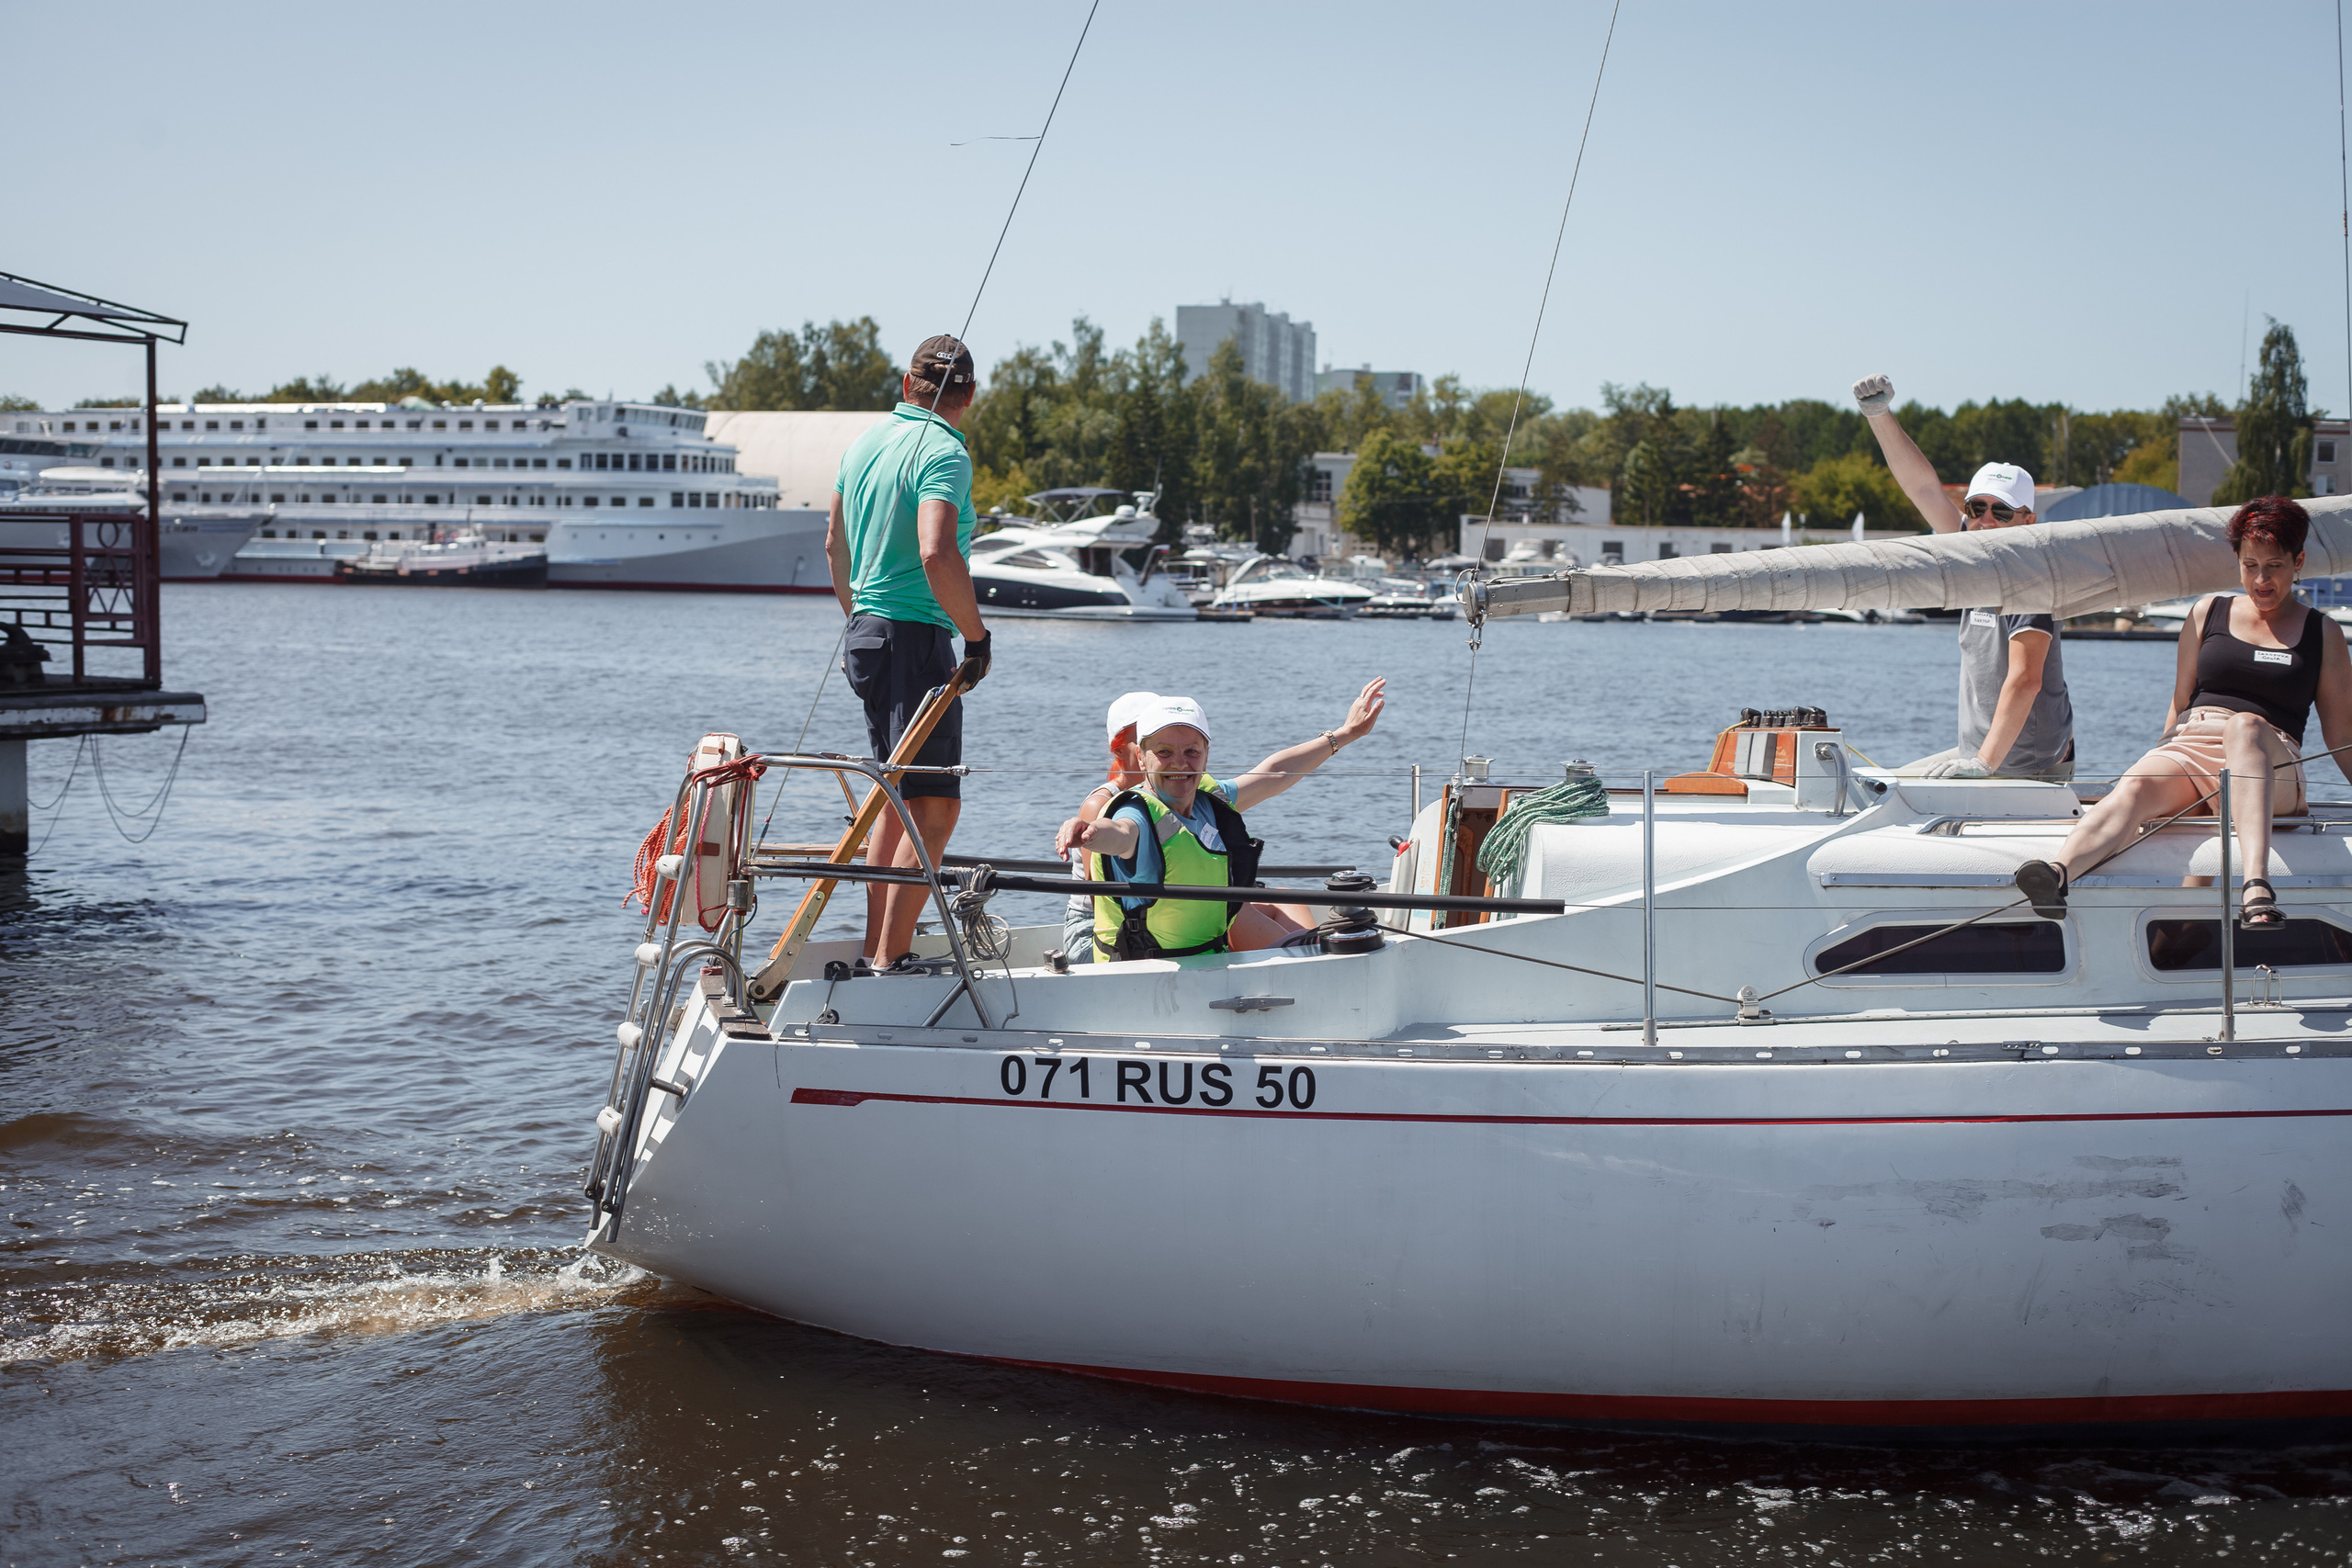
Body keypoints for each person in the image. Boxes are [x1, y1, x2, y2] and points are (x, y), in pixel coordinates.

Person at [2013, 497, 2352, 928]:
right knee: (2135, 789)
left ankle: (2256, 887)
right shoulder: (2207, 612)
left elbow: (2342, 734)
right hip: (2193, 744)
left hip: (2270, 760)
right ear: (2237, 561)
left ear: (2298, 561)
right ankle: (2057, 873)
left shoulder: (2322, 633)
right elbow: (2180, 703)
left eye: (2275, 566)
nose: (2261, 579)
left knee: (2246, 727)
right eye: (2250, 566)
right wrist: (2157, 763)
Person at [825, 334, 992, 970]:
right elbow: (936, 551)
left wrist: (857, 618)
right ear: (968, 395)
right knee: (935, 807)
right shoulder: (945, 452)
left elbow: (834, 544)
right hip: (914, 637)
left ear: (906, 385)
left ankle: (878, 949)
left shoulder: (864, 443)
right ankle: (888, 961)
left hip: (869, 633)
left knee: (895, 799)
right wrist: (975, 638)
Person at [1054, 682, 1387, 961]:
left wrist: (1345, 734)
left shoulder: (1206, 797)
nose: (1180, 764)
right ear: (1141, 754)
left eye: (1192, 752)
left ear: (1206, 754)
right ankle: (1308, 953)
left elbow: (1274, 773)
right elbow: (1121, 834)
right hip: (1143, 966)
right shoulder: (1131, 810)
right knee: (1236, 905)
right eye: (1164, 752)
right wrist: (1090, 833)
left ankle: (1309, 949)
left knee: (1277, 905)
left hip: (1201, 954)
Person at [1853, 373, 2075, 782]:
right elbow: (1922, 488)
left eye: (2002, 512)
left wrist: (1983, 765)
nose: (1986, 520)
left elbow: (2026, 680)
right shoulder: (1972, 557)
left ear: (2028, 520)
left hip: (2029, 766)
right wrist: (1879, 414)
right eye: (1976, 508)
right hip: (1981, 754)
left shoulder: (2032, 580)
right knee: (1874, 784)